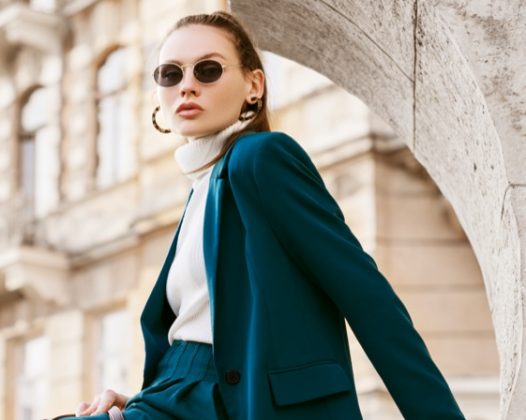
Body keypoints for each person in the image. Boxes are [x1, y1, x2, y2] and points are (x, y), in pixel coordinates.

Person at [53, 10, 466, 420]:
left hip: (239, 403)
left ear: (254, 85)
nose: (188, 86)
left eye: (208, 70)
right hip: (174, 397)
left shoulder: (261, 159)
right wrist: (145, 397)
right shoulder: (201, 188)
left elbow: (367, 296)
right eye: (170, 74)